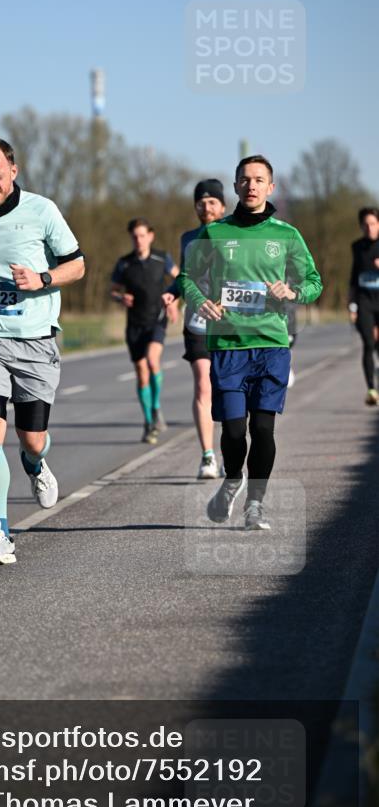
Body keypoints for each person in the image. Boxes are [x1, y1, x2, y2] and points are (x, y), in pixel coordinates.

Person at [0, 138, 85, 565]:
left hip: (34, 339)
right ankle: (0, 532)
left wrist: (43, 279)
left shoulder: (42, 210)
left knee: (31, 438)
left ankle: (36, 463)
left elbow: (78, 264)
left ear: (14, 169)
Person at [180, 155, 322, 530]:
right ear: (236, 186)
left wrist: (291, 291)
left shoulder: (287, 235)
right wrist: (201, 301)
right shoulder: (216, 232)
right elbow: (188, 277)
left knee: (262, 429)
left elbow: (314, 282)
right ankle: (231, 479)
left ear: (270, 187)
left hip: (271, 345)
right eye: (245, 179)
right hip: (228, 346)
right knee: (232, 430)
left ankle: (255, 504)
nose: (252, 185)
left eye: (259, 180)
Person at [162, 180, 226, 477]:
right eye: (201, 202)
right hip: (198, 321)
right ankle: (208, 456)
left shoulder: (234, 235)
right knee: (203, 383)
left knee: (229, 389)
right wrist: (172, 292)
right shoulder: (188, 238)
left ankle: (232, 451)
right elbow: (184, 276)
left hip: (230, 323)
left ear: (223, 206)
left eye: (212, 201)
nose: (206, 206)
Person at [110, 218, 178, 445]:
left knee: (152, 360)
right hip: (135, 324)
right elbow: (113, 290)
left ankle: (156, 407)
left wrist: (174, 303)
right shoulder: (124, 263)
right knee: (141, 371)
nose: (138, 240)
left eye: (142, 235)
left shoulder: (162, 258)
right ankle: (149, 421)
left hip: (157, 320)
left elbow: (181, 280)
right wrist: (121, 297)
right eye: (134, 236)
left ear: (151, 236)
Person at [348, 207, 379, 405]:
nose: (369, 228)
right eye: (365, 224)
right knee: (368, 344)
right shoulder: (357, 246)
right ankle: (371, 390)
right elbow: (353, 277)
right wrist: (351, 306)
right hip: (364, 302)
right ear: (361, 226)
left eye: (373, 224)